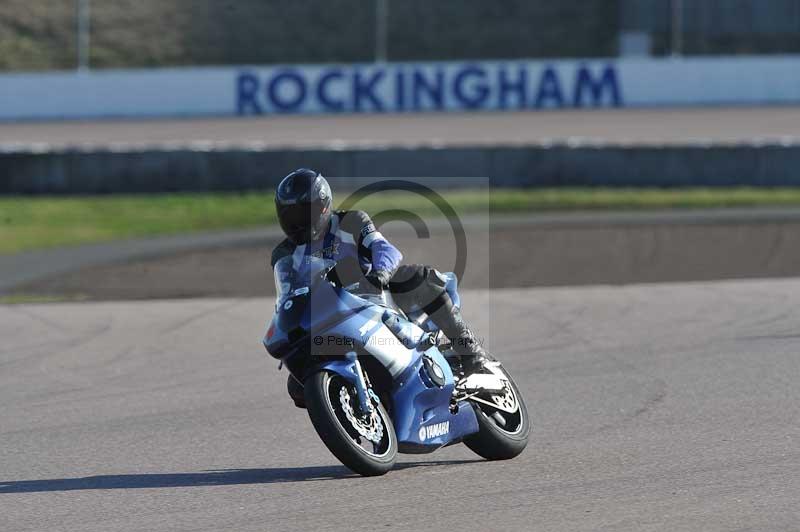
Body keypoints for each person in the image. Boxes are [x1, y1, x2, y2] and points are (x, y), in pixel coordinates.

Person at [270, 168, 488, 408]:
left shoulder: (351, 222)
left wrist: (380, 273)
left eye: (302, 213)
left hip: (374, 294)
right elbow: (287, 292)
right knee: (297, 386)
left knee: (419, 278)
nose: (297, 223)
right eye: (290, 216)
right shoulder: (285, 253)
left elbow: (385, 249)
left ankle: (471, 354)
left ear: (322, 206)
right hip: (327, 313)